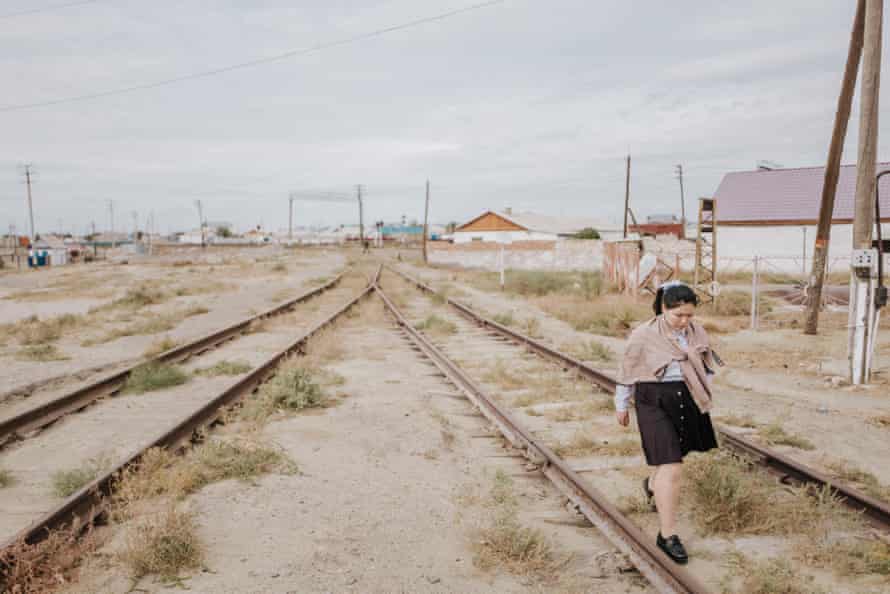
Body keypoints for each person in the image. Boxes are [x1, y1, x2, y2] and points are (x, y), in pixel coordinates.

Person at [614, 280, 721, 565]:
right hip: (653, 398)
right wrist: (621, 404)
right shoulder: (644, 334)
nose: (684, 321)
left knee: (668, 461)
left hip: (686, 398)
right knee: (673, 466)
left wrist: (702, 392)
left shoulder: (696, 331)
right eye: (678, 316)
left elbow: (706, 365)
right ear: (664, 308)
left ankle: (651, 485)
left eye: (689, 315)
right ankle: (668, 535)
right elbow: (627, 369)